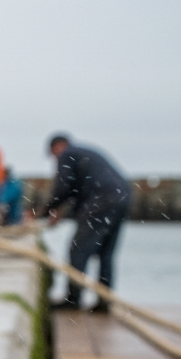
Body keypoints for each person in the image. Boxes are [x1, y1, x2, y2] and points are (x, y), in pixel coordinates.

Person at [43, 133, 131, 311]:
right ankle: (104, 301)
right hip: (123, 196)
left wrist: (43, 212)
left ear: (57, 146)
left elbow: (63, 187)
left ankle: (73, 299)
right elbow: (76, 189)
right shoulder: (84, 154)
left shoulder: (67, 154)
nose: (55, 159)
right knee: (106, 253)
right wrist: (58, 210)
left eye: (53, 154)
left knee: (78, 250)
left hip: (102, 200)